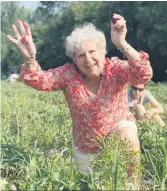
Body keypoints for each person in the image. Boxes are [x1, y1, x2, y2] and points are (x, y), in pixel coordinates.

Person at [7, 13, 153, 189]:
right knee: (87, 185)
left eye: (92, 52)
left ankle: (132, 187)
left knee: (127, 133)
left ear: (103, 52)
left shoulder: (114, 69)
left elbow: (143, 73)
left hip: (117, 137)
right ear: (74, 59)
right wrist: (29, 58)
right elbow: (37, 79)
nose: (88, 59)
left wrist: (121, 44)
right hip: (86, 147)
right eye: (81, 55)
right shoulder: (69, 74)